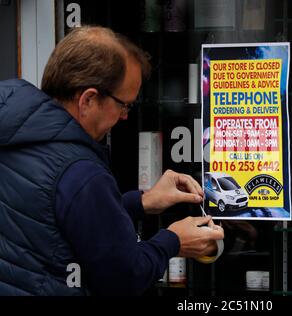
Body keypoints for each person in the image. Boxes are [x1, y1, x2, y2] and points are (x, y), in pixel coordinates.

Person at [0, 26, 224, 296]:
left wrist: (140, 202)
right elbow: (124, 277)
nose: (125, 116)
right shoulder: (81, 173)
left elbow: (53, 216)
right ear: (88, 100)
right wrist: (173, 240)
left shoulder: (15, 132)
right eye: (124, 104)